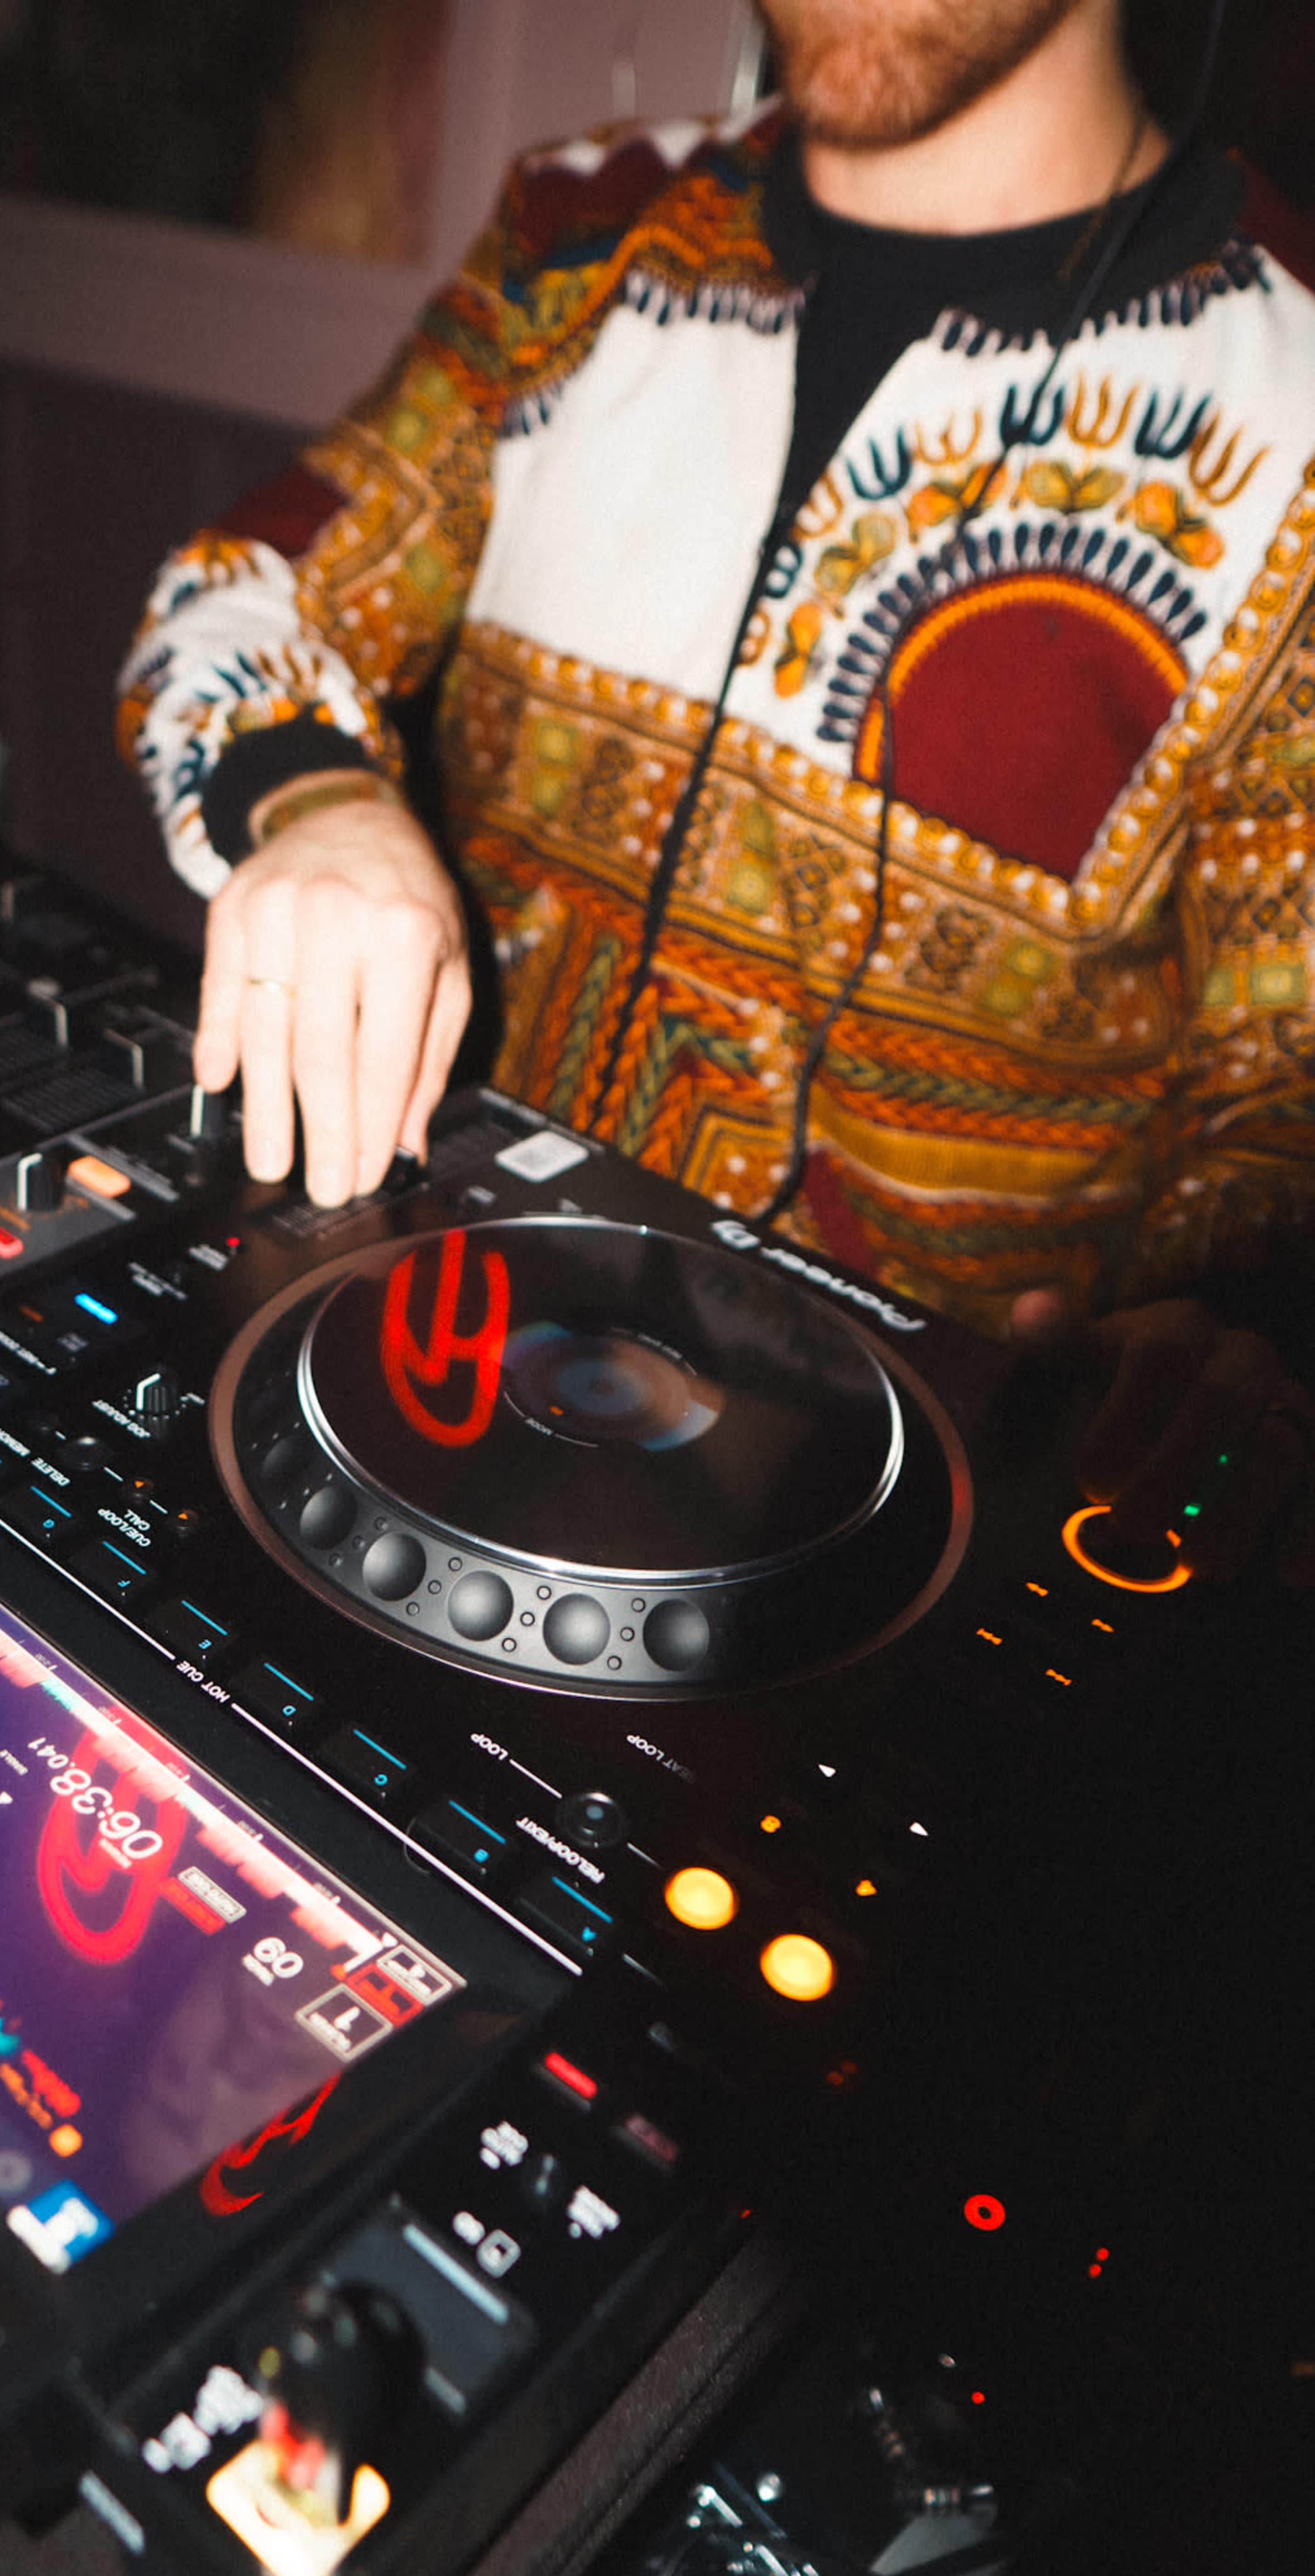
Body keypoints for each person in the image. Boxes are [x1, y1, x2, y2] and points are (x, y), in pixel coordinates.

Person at [119, 0, 1315, 1580]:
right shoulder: (583, 233)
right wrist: (322, 804)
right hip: (438, 1394)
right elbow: (245, 590)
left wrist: (1236, 1336)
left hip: (902, 1571)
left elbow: (1283, 1100)